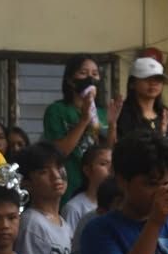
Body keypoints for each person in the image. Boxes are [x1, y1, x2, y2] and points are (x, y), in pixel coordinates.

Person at [43, 55, 121, 205]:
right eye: (83, 73)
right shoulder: (57, 111)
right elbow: (60, 152)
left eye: (94, 74)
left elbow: (108, 152)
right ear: (70, 80)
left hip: (98, 189)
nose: (90, 78)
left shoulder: (102, 113)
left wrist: (112, 125)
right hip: (71, 185)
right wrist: (84, 119)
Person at [114, 58, 168, 145]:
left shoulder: (164, 112)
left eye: (158, 79)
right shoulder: (123, 112)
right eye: (147, 78)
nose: (153, 83)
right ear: (132, 83)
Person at [62, 146, 112, 234]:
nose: (111, 169)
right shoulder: (74, 208)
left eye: (113, 164)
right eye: (103, 164)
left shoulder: (118, 203)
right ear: (87, 170)